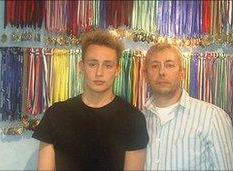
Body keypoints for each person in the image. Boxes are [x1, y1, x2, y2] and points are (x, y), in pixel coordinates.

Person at [32, 30, 149, 170]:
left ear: (117, 70)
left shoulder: (133, 119)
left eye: (108, 65)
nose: (99, 73)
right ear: (81, 67)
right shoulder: (55, 114)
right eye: (93, 64)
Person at [142, 43, 233, 170]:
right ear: (146, 75)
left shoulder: (212, 118)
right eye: (155, 66)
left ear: (182, 73)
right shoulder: (138, 119)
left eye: (169, 65)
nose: (162, 72)